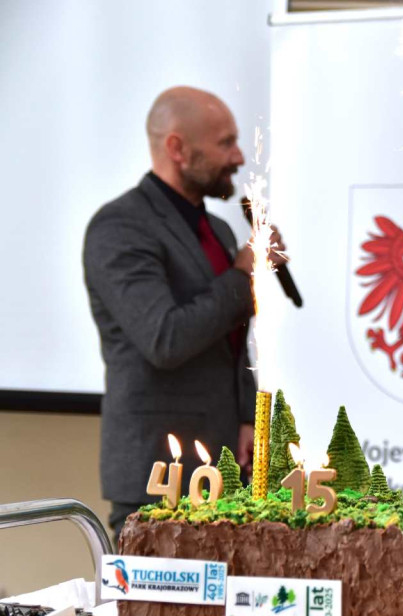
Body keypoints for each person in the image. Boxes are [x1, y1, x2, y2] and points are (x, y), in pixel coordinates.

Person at [83, 86, 286, 539]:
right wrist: (242, 277)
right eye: (225, 143)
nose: (238, 157)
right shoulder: (119, 227)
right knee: (153, 614)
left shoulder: (213, 228)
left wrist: (246, 416)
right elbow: (164, 338)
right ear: (177, 148)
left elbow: (231, 342)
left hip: (225, 470)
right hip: (158, 476)